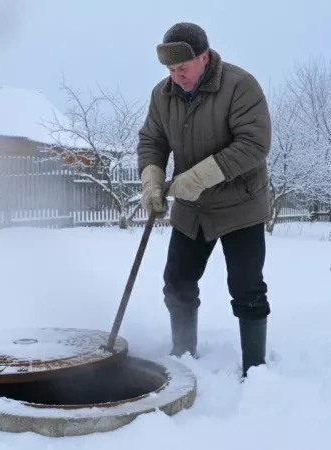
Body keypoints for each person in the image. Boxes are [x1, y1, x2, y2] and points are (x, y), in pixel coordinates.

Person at [136, 22, 272, 378]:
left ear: (204, 58)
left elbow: (254, 144)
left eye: (183, 68)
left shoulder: (240, 86)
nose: (176, 76)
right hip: (192, 210)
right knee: (178, 282)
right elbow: (152, 140)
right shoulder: (162, 95)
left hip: (240, 205)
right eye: (170, 69)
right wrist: (152, 179)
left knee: (246, 287)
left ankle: (255, 369)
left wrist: (197, 177)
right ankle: (183, 354)